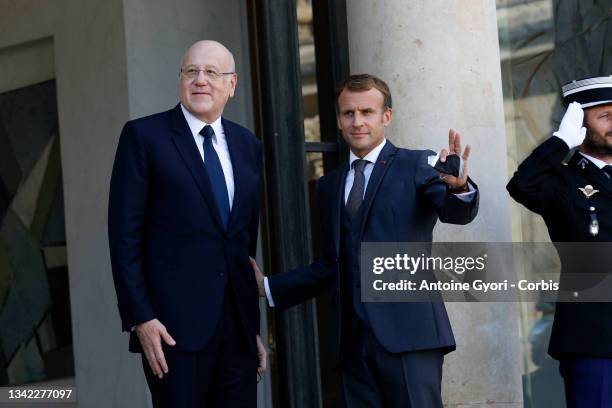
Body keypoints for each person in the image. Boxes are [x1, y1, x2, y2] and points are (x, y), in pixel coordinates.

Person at [252, 74, 479, 407]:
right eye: (348, 113)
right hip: (353, 344)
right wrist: (269, 287)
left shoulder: (418, 164)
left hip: (410, 337)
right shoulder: (329, 185)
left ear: (386, 116)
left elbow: (455, 212)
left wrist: (458, 188)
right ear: (339, 119)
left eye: (367, 112)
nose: (357, 122)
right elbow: (334, 265)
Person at [108, 40, 265, 408]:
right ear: (180, 79)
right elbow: (123, 237)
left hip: (237, 333)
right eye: (191, 71)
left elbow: (242, 241)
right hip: (172, 332)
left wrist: (250, 327)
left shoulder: (248, 145)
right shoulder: (144, 137)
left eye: (212, 73)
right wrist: (141, 318)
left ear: (232, 84)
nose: (200, 80)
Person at [507, 75, 612, 408]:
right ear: (581, 124)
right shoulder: (563, 181)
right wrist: (560, 142)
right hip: (595, 338)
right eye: (606, 116)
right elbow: (522, 186)